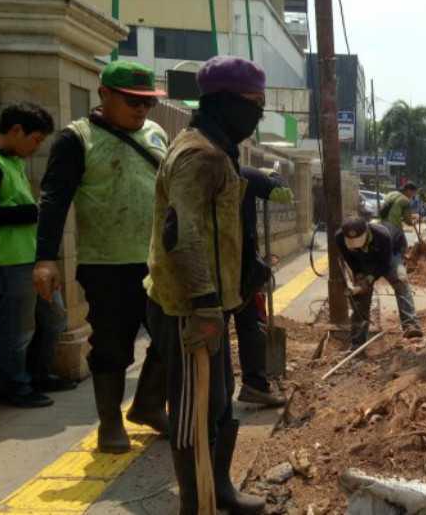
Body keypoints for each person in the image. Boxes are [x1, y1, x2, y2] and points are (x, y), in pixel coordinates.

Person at [145, 55, 267, 514]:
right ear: (224, 102)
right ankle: (196, 504)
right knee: (194, 413)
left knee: (217, 405)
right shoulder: (200, 154)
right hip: (191, 311)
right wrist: (206, 304)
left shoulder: (218, 149)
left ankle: (218, 490)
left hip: (213, 305)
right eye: (253, 103)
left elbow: (218, 228)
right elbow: (185, 234)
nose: (258, 113)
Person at [34, 60, 169, 452]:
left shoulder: (157, 134)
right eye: (132, 101)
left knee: (170, 336)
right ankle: (110, 421)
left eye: (148, 103)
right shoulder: (76, 140)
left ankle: (147, 404)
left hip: (158, 262)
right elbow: (54, 200)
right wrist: (45, 259)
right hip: (108, 264)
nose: (141, 110)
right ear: (104, 94)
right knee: (112, 346)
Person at [0, 102, 77, 408]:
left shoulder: (10, 160)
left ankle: (39, 374)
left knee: (54, 319)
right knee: (17, 329)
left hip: (32, 261)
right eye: (35, 139)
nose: (36, 147)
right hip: (8, 262)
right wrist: (31, 212)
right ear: (16, 130)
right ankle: (15, 385)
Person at [234, 165, 293, 407]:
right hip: (240, 263)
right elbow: (284, 195)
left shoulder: (191, 168)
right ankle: (255, 384)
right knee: (250, 322)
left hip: (202, 261)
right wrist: (273, 176)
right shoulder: (245, 173)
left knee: (211, 327)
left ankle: (215, 391)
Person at [335, 217, 423, 350]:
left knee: (401, 280)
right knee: (360, 297)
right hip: (362, 257)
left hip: (390, 253)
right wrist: (360, 277)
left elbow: (384, 264)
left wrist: (370, 278)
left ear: (366, 232)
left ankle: (411, 325)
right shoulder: (340, 237)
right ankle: (358, 342)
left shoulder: (382, 236)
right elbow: (350, 260)